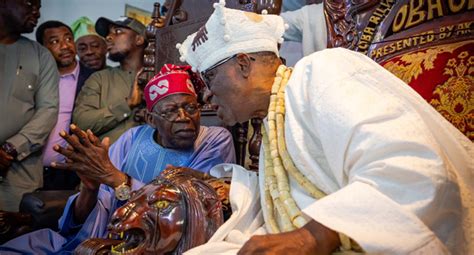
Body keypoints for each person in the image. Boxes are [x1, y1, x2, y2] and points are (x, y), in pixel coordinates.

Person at [176, 4, 473, 254]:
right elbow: (290, 205)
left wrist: (311, 237)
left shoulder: (321, 71)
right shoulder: (274, 118)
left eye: (208, 79)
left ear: (242, 65)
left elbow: (412, 169)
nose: (206, 96)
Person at [0, 64, 236, 254]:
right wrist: (90, 189)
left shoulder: (214, 140)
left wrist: (115, 178)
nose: (184, 117)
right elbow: (93, 219)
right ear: (151, 119)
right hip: (103, 241)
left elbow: (195, 209)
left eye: (191, 108)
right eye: (170, 111)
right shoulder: (133, 138)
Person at [0, 0, 59, 211]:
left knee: (14, 238)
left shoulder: (41, 55)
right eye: (29, 3)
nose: (37, 11)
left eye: (40, 7)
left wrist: (10, 149)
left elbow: (48, 109)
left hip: (17, 171)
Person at [35, 20, 96, 190]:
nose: (65, 46)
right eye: (54, 41)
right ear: (42, 48)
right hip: (32, 171)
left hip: (75, 174)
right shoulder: (36, 79)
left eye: (68, 39)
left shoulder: (94, 78)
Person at [73, 16, 146, 143]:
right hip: (107, 161)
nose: (108, 37)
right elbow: (80, 123)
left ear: (139, 39)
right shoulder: (100, 78)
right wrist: (127, 105)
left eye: (117, 31)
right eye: (108, 34)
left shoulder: (160, 75)